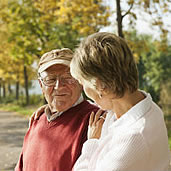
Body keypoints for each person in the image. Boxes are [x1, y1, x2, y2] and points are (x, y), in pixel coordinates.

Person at [70, 32, 170, 171]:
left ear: (100, 86)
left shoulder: (133, 138)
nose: (83, 90)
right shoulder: (146, 106)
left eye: (82, 83)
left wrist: (92, 142)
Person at [15, 48, 99, 171]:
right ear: (41, 85)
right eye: (50, 79)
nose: (58, 86)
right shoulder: (37, 120)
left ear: (81, 81)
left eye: (68, 77)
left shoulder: (96, 121)